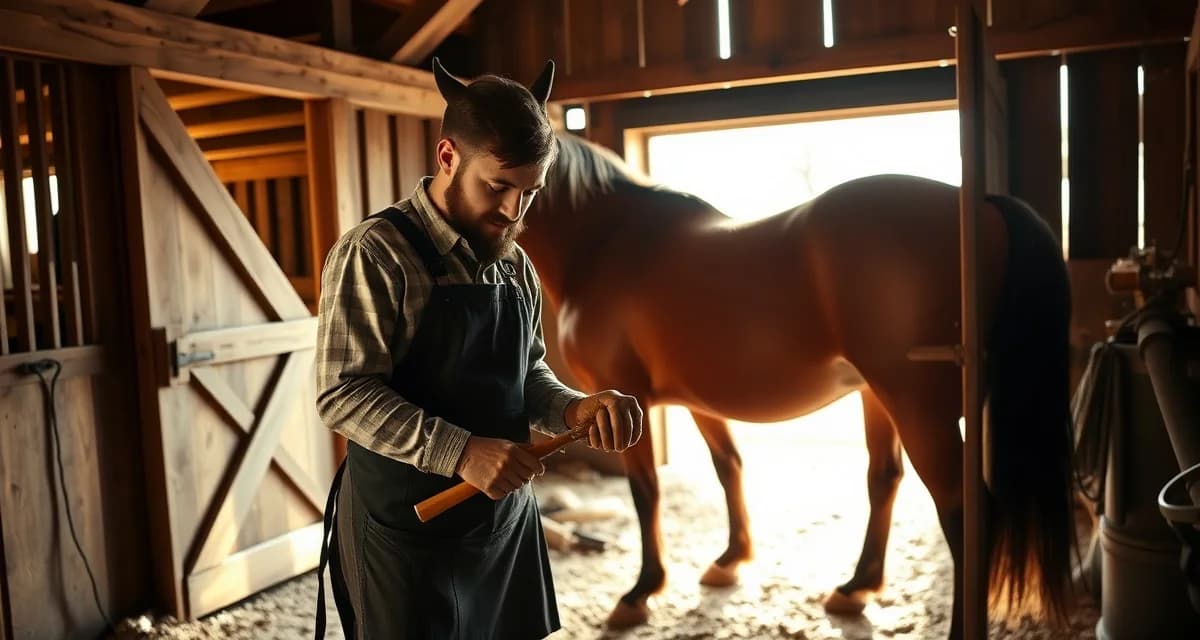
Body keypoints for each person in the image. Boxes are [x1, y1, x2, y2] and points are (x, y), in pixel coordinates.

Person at [312, 57, 644, 640]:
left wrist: (574, 408)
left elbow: (527, 371)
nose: (514, 211)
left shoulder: (513, 262)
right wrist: (462, 452)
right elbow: (344, 394)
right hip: (406, 530)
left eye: (530, 192)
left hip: (504, 521)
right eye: (499, 187)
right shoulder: (377, 253)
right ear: (448, 157)